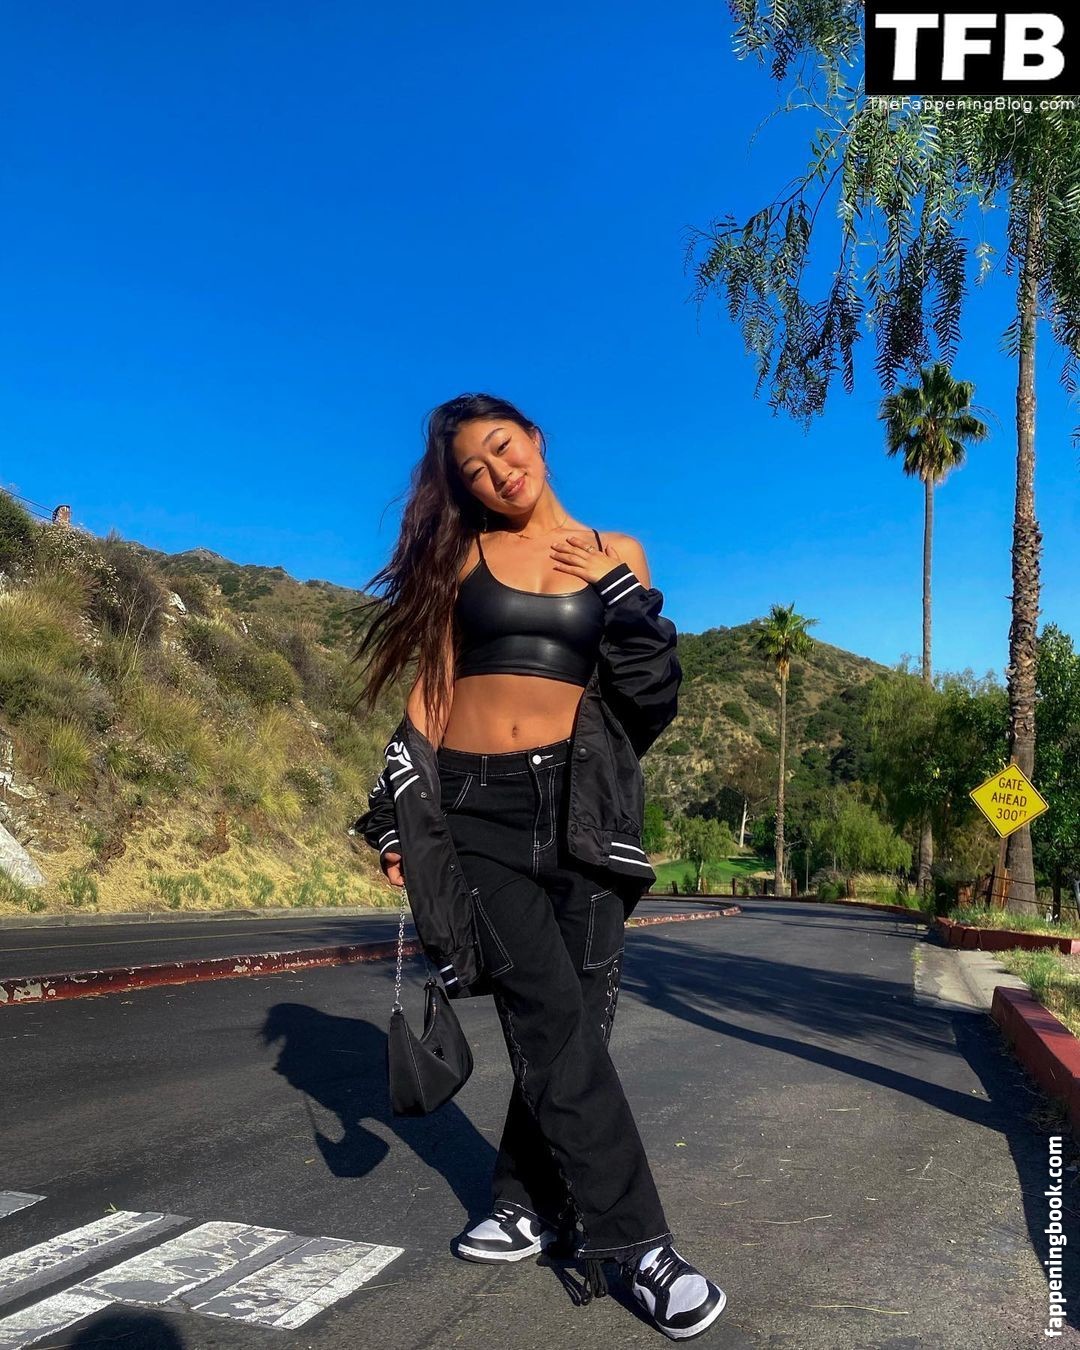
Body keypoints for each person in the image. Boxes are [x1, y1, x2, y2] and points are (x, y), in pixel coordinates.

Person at [349, 393, 726, 1340]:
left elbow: (648, 697)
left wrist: (618, 591)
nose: (496, 473)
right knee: (549, 1014)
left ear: (536, 439)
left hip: (579, 810)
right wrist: (395, 819)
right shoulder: (463, 559)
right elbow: (432, 691)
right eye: (473, 469)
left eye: (503, 448)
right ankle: (638, 1245)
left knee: (574, 1022)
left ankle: (523, 1200)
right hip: (474, 807)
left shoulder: (617, 550)